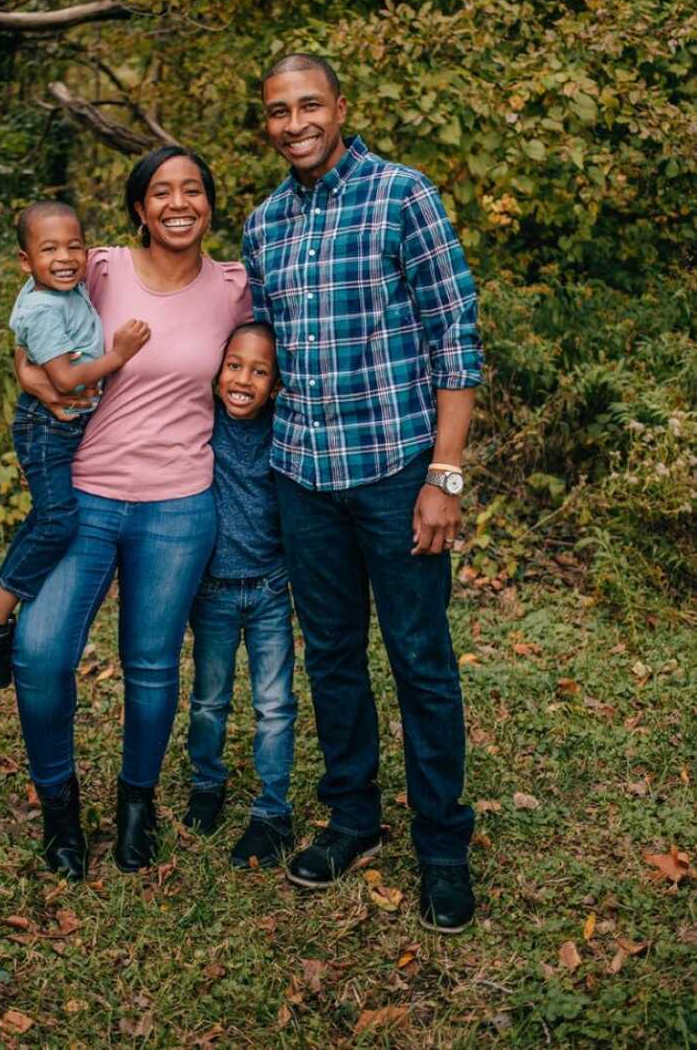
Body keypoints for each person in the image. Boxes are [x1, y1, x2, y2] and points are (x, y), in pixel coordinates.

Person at [243, 53, 483, 933]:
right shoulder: (264, 226)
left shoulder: (400, 194)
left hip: (393, 472)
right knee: (332, 656)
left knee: (420, 657)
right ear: (266, 124)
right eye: (278, 110)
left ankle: (443, 847)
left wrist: (443, 474)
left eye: (310, 104)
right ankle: (353, 819)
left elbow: (455, 331)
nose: (295, 121)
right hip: (302, 475)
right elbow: (261, 354)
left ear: (341, 107)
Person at [11, 147, 252, 880]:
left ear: (209, 202)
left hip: (180, 504)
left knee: (151, 665)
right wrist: (30, 376)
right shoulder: (102, 268)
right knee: (41, 653)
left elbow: (262, 371)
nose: (179, 203)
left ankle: (135, 808)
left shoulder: (236, 289)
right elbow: (33, 322)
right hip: (85, 492)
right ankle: (60, 811)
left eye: (193, 190)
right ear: (140, 208)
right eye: (161, 192)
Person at [0, 202, 150, 688]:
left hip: (63, 426)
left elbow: (30, 338)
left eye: (73, 246)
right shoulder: (43, 305)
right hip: (47, 425)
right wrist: (119, 355)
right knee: (59, 521)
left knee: (47, 515)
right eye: (50, 249)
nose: (65, 257)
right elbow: (63, 378)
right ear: (25, 261)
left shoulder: (63, 284)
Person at [184, 321, 297, 869]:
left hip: (272, 588)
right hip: (212, 591)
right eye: (234, 366)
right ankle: (207, 783)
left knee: (274, 706)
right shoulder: (199, 424)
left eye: (259, 371)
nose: (243, 379)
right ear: (217, 369)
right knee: (209, 701)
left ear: (275, 385)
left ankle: (274, 809)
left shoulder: (285, 432)